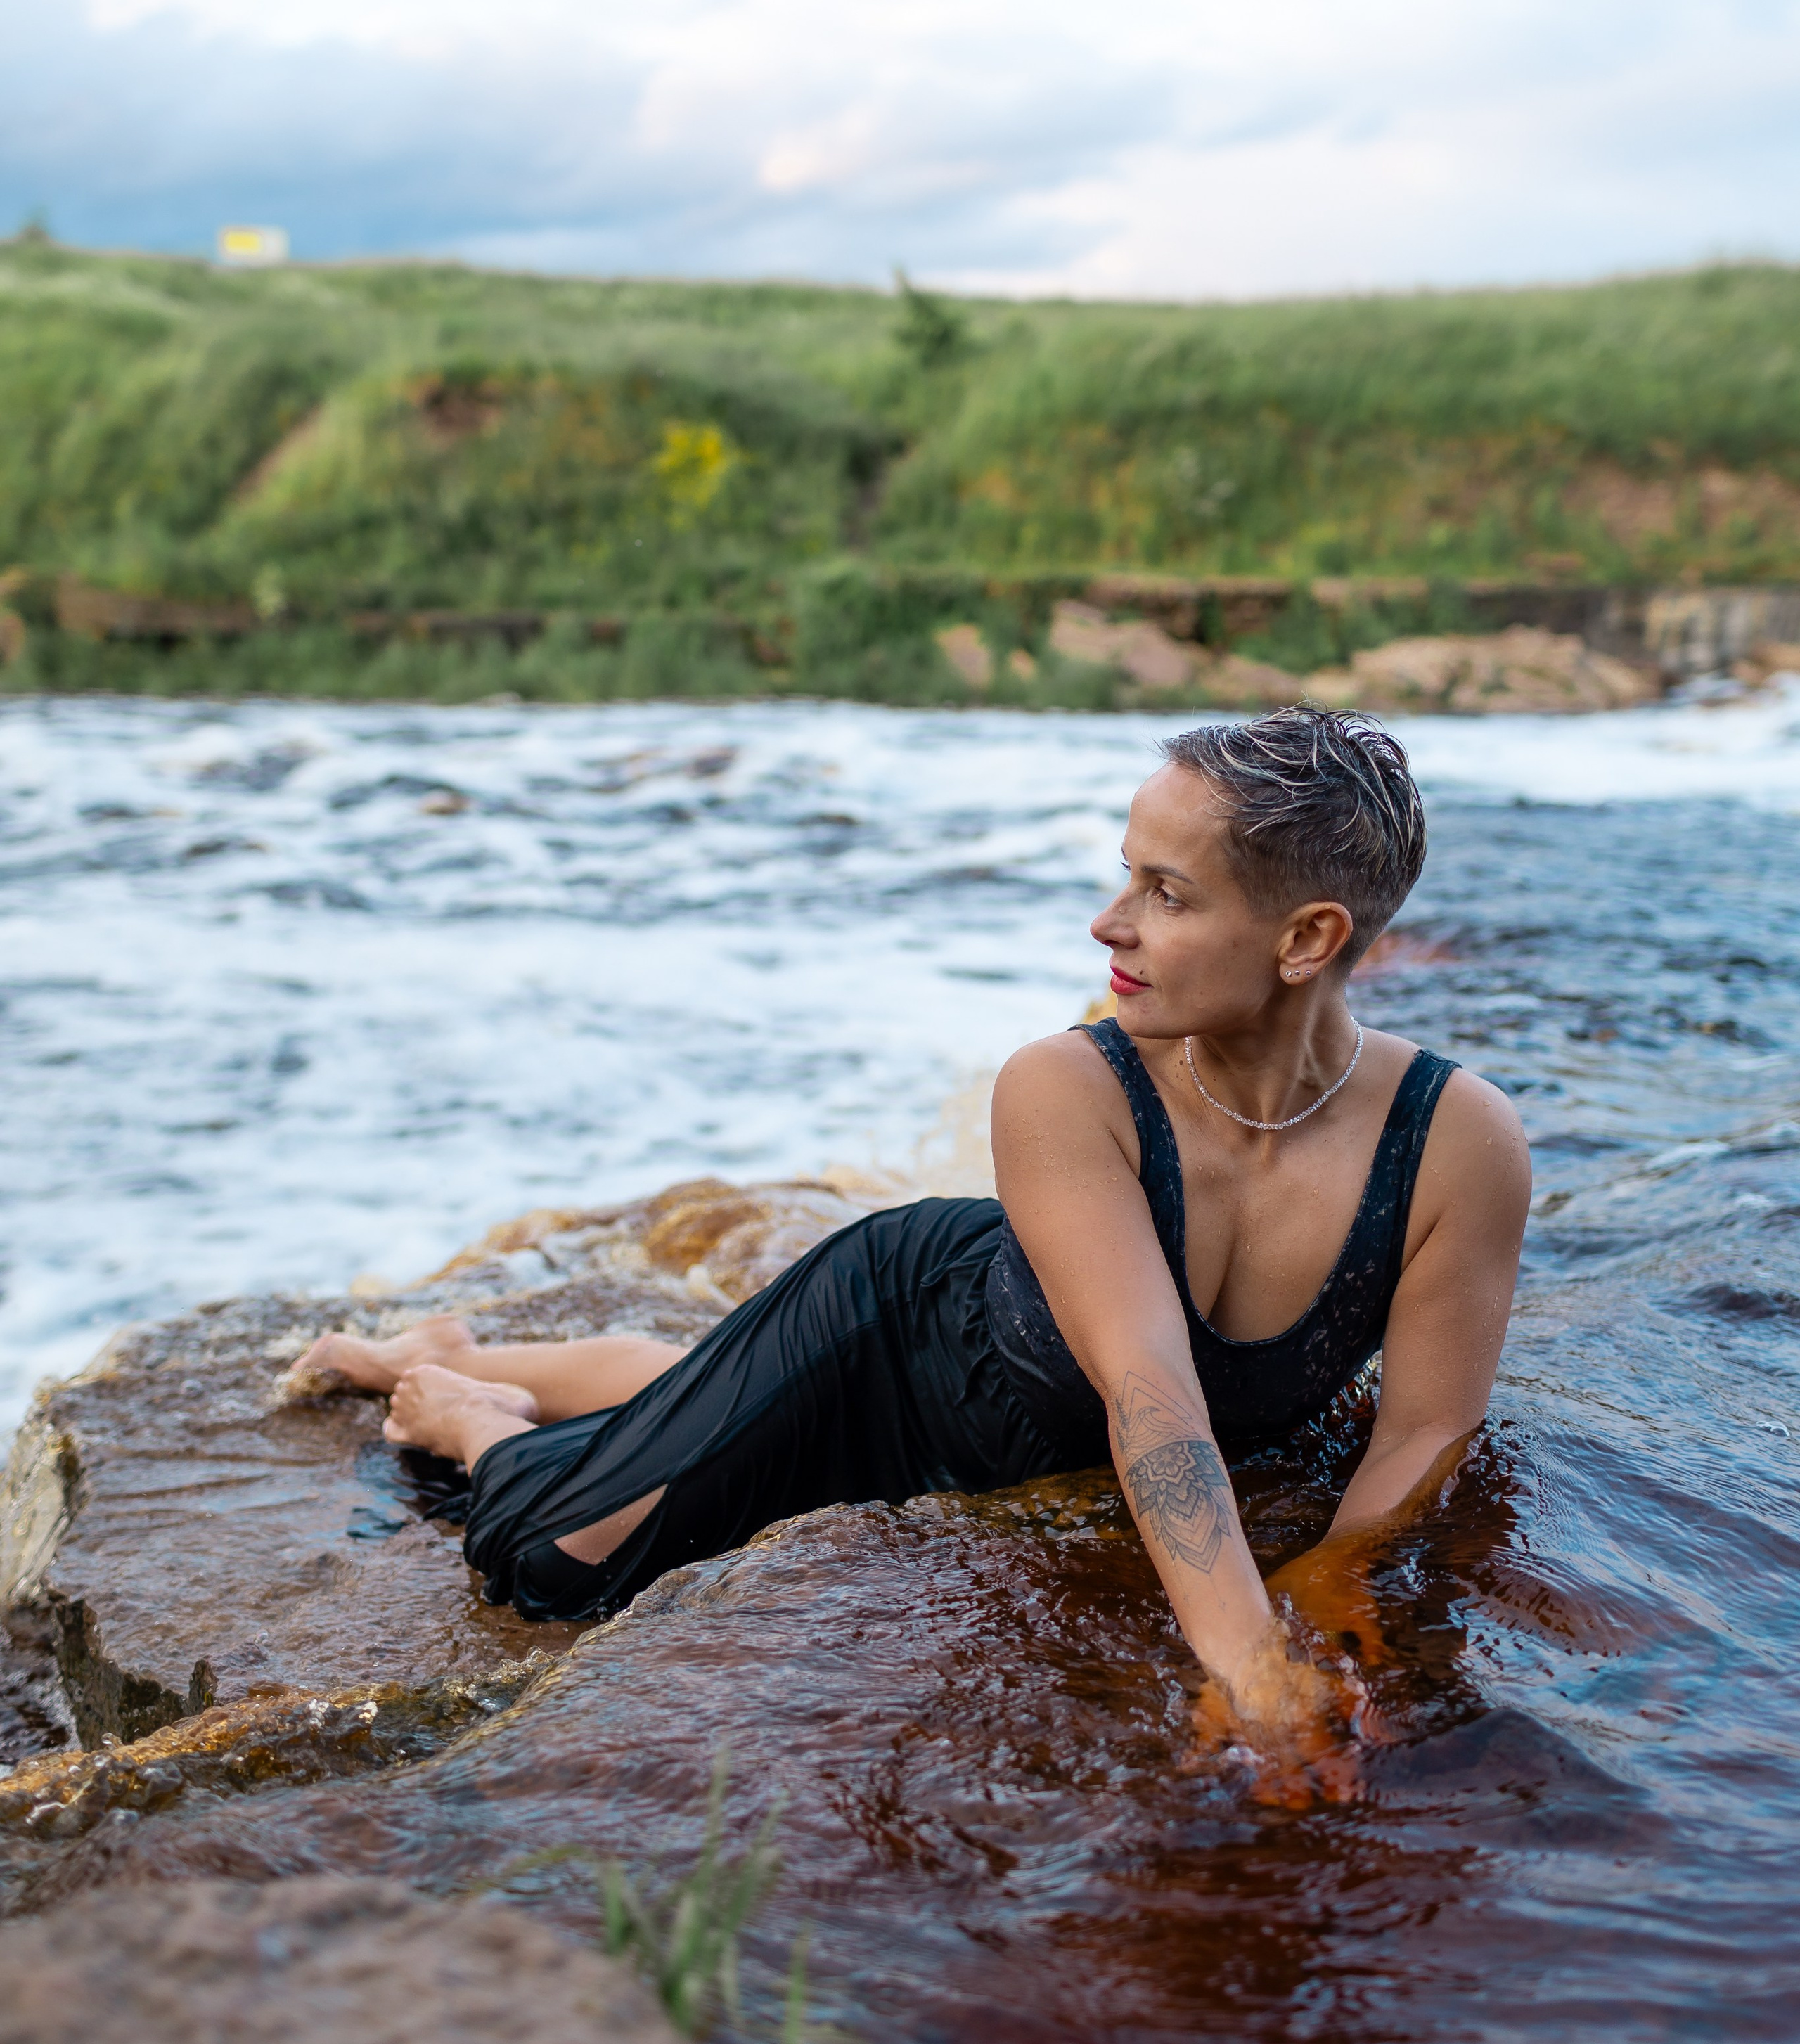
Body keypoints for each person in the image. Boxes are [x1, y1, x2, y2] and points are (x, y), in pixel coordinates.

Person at [296, 708, 1530, 1782]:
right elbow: (1154, 1395)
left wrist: (1332, 1590)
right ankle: (464, 1395)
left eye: (1168, 893)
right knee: (556, 1566)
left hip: (1018, 1390)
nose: (1111, 926)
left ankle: (536, 1358)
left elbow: (1425, 1426)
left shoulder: (1454, 1140)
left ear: (1308, 939)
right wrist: (1250, 1659)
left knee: (710, 1398)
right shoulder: (1068, 1085)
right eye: (1126, 876)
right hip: (897, 1342)